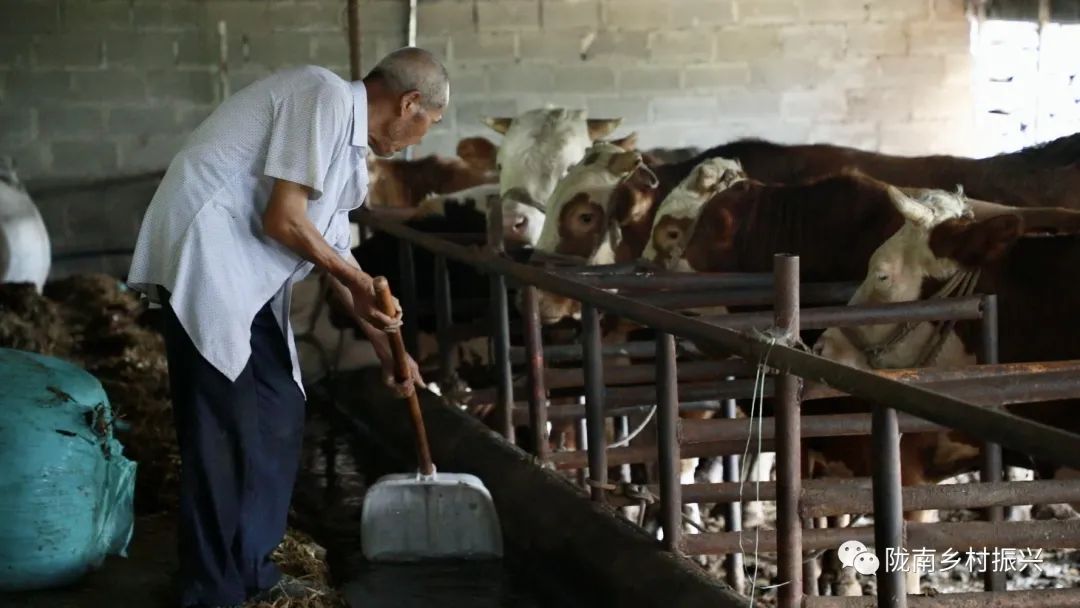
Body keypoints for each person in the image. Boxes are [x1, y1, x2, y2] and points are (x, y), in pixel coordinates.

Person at [127, 47, 448, 608]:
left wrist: (385, 346)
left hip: (244, 279)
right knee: (223, 431)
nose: (419, 140)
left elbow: (337, 251)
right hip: (206, 262)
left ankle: (251, 567)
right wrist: (355, 278)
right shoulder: (321, 95)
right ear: (410, 102)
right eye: (428, 124)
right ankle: (211, 591)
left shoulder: (348, 154)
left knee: (278, 407)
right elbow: (286, 219)